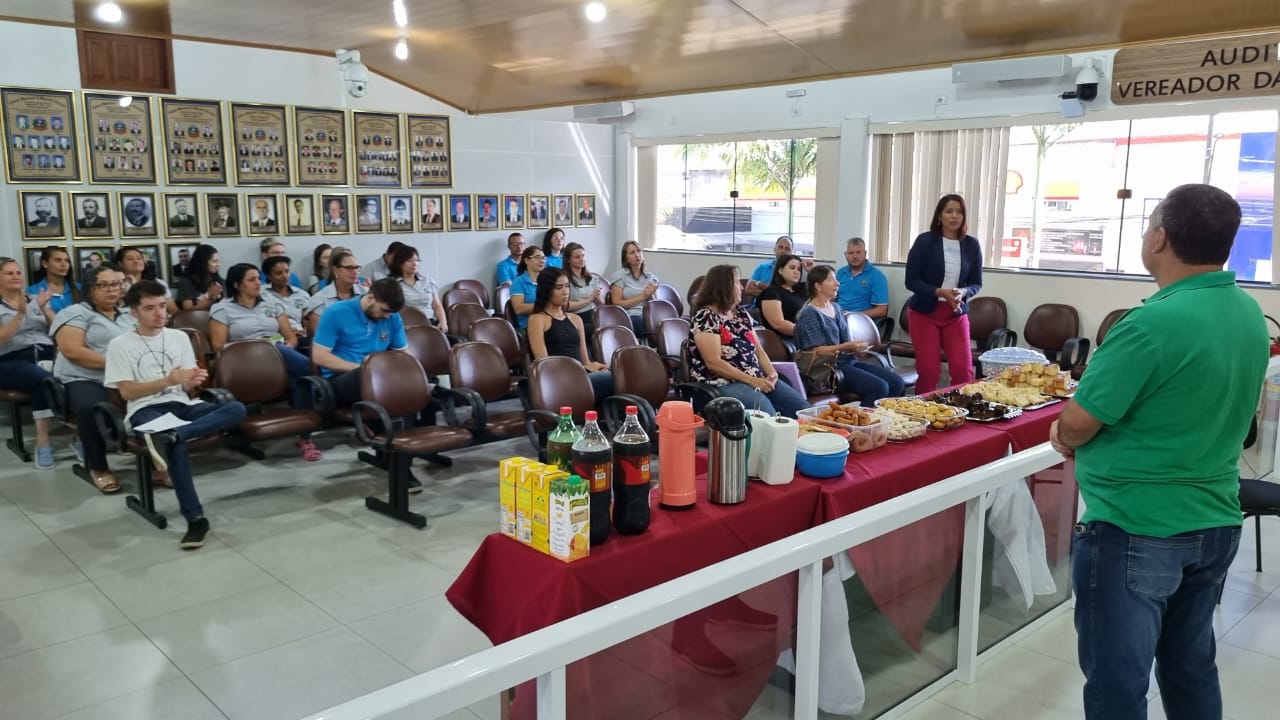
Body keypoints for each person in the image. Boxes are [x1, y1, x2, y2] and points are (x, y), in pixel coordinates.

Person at [1048, 184, 1268, 720]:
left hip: (1136, 530)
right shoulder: (1248, 315)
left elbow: (1077, 423)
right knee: (1190, 667)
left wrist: (1062, 433)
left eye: (1148, 226)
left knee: (1117, 684)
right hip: (1215, 520)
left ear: (1160, 238)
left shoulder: (1146, 325)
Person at [106, 280, 248, 550]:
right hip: (145, 410)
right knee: (178, 449)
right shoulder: (120, 344)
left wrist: (192, 379)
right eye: (150, 308)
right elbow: (125, 393)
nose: (160, 314)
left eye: (162, 306)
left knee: (236, 408)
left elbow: (184, 386)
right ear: (134, 312)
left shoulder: (179, 337)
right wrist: (167, 380)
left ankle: (172, 435)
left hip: (182, 405)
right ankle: (195, 519)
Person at [209, 263, 318, 461]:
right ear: (237, 284)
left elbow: (291, 337)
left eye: (259, 278)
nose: (258, 283)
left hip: (277, 357)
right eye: (252, 280)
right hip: (243, 361)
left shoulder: (272, 304)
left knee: (302, 381)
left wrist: (289, 344)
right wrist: (258, 344)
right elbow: (218, 346)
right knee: (306, 369)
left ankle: (306, 439)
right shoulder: (222, 309)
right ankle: (324, 379)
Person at [50, 264, 137, 490]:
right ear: (90, 288)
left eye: (116, 284)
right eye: (103, 285)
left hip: (125, 376)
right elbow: (73, 351)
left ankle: (155, 461)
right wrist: (119, 364)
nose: (111, 290)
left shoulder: (128, 315)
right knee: (94, 408)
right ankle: (98, 466)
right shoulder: (75, 313)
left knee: (156, 396)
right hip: (84, 377)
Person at [687, 265, 806, 417]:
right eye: (737, 282)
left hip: (755, 378)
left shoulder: (741, 313)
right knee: (766, 416)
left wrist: (771, 372)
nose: (742, 288)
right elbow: (714, 363)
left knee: (802, 410)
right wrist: (752, 381)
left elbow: (758, 348)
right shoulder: (706, 316)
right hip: (723, 383)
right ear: (723, 287)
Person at [903, 193, 983, 393]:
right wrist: (939, 292)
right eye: (949, 211)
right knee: (930, 371)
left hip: (955, 313)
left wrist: (963, 292)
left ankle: (963, 415)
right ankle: (922, 417)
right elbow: (911, 281)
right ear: (939, 216)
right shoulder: (924, 242)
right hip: (925, 313)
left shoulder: (972, 245)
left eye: (959, 212)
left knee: (963, 371)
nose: (954, 216)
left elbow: (976, 283)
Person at [795, 265, 905, 404]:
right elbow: (815, 351)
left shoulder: (836, 307)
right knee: (879, 388)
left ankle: (888, 420)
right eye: (831, 280)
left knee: (896, 382)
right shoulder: (810, 313)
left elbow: (845, 343)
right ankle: (865, 422)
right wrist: (847, 346)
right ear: (818, 286)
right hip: (828, 368)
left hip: (847, 361)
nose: (837, 283)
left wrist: (856, 347)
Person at [0, 257, 57, 469]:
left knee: (72, 375)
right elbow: (2, 339)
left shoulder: (36, 298)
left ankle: (81, 437)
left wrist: (45, 309)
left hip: (46, 356)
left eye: (18, 272)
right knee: (44, 380)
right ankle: (43, 442)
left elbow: (58, 329)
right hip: (9, 360)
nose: (16, 277)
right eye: (9, 273)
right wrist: (21, 314)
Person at [527, 268, 613, 400]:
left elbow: (585, 361)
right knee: (619, 379)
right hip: (559, 380)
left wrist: (595, 366)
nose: (565, 291)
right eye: (559, 287)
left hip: (581, 375)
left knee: (621, 374)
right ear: (547, 290)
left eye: (567, 286)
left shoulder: (576, 319)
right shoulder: (537, 320)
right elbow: (544, 365)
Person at [304, 249, 366, 336]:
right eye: (349, 268)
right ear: (336, 270)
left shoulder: (366, 293)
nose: (355, 272)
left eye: (357, 268)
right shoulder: (320, 299)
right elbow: (319, 335)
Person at [387, 245, 447, 333]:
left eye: (417, 260)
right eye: (410, 260)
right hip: (406, 327)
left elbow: (437, 306)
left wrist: (443, 322)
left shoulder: (428, 281)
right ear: (400, 263)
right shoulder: (393, 284)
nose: (415, 263)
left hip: (430, 323)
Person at [609, 241, 660, 337]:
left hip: (649, 314)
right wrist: (643, 296)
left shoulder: (651, 277)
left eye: (639, 251)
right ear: (626, 258)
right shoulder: (620, 277)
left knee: (665, 322)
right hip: (631, 315)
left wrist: (652, 295)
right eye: (632, 253)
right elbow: (616, 304)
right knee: (643, 323)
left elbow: (655, 302)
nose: (637, 255)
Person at [745, 236, 812, 303]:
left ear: (791, 252)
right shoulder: (762, 267)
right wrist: (772, 295)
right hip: (756, 309)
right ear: (775, 249)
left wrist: (760, 285)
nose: (783, 251)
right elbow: (748, 289)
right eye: (780, 247)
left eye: (787, 249)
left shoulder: (796, 270)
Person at [115, 247, 178, 316]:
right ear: (120, 263)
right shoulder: (116, 285)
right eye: (130, 259)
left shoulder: (158, 283)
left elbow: (173, 310)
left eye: (139, 258)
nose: (136, 261)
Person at [836, 237, 889, 319]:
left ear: (865, 253)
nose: (855, 256)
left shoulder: (877, 276)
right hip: (838, 318)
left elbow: (882, 310)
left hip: (860, 321)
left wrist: (853, 314)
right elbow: (831, 298)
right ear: (845, 255)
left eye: (858, 252)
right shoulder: (840, 273)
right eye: (851, 253)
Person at [758, 253, 806, 339]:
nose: (796, 271)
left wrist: (812, 270)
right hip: (784, 339)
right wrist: (808, 332)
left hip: (805, 335)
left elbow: (823, 290)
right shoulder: (771, 292)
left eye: (799, 269)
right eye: (792, 268)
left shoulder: (803, 289)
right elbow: (778, 324)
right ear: (780, 270)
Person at [263, 256, 311, 340]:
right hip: (274, 337)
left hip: (299, 336)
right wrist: (288, 333)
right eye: (279, 273)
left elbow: (307, 319)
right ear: (269, 276)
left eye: (287, 271)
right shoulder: (261, 294)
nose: (285, 276)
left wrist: (306, 330)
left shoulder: (301, 294)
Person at [563, 242, 605, 339]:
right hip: (577, 317)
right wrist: (589, 299)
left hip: (595, 314)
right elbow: (565, 307)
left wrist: (597, 297)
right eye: (577, 257)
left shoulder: (592, 278)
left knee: (612, 324)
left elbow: (602, 305)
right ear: (568, 260)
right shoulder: (565, 280)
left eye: (583, 256)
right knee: (597, 330)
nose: (582, 259)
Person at [27, 246, 80, 316]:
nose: (64, 265)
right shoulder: (33, 291)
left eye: (67, 261)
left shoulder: (79, 288)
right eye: (58, 260)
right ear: (45, 263)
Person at [175, 244, 225, 311]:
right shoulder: (186, 282)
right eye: (214, 261)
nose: (218, 264)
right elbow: (187, 311)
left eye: (218, 261)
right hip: (196, 320)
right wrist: (210, 298)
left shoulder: (220, 281)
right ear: (203, 262)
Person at [508, 246, 547, 330]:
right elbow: (519, 309)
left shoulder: (547, 280)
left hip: (549, 320)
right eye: (537, 257)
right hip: (530, 325)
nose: (542, 260)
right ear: (526, 260)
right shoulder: (518, 282)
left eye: (543, 258)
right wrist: (546, 306)